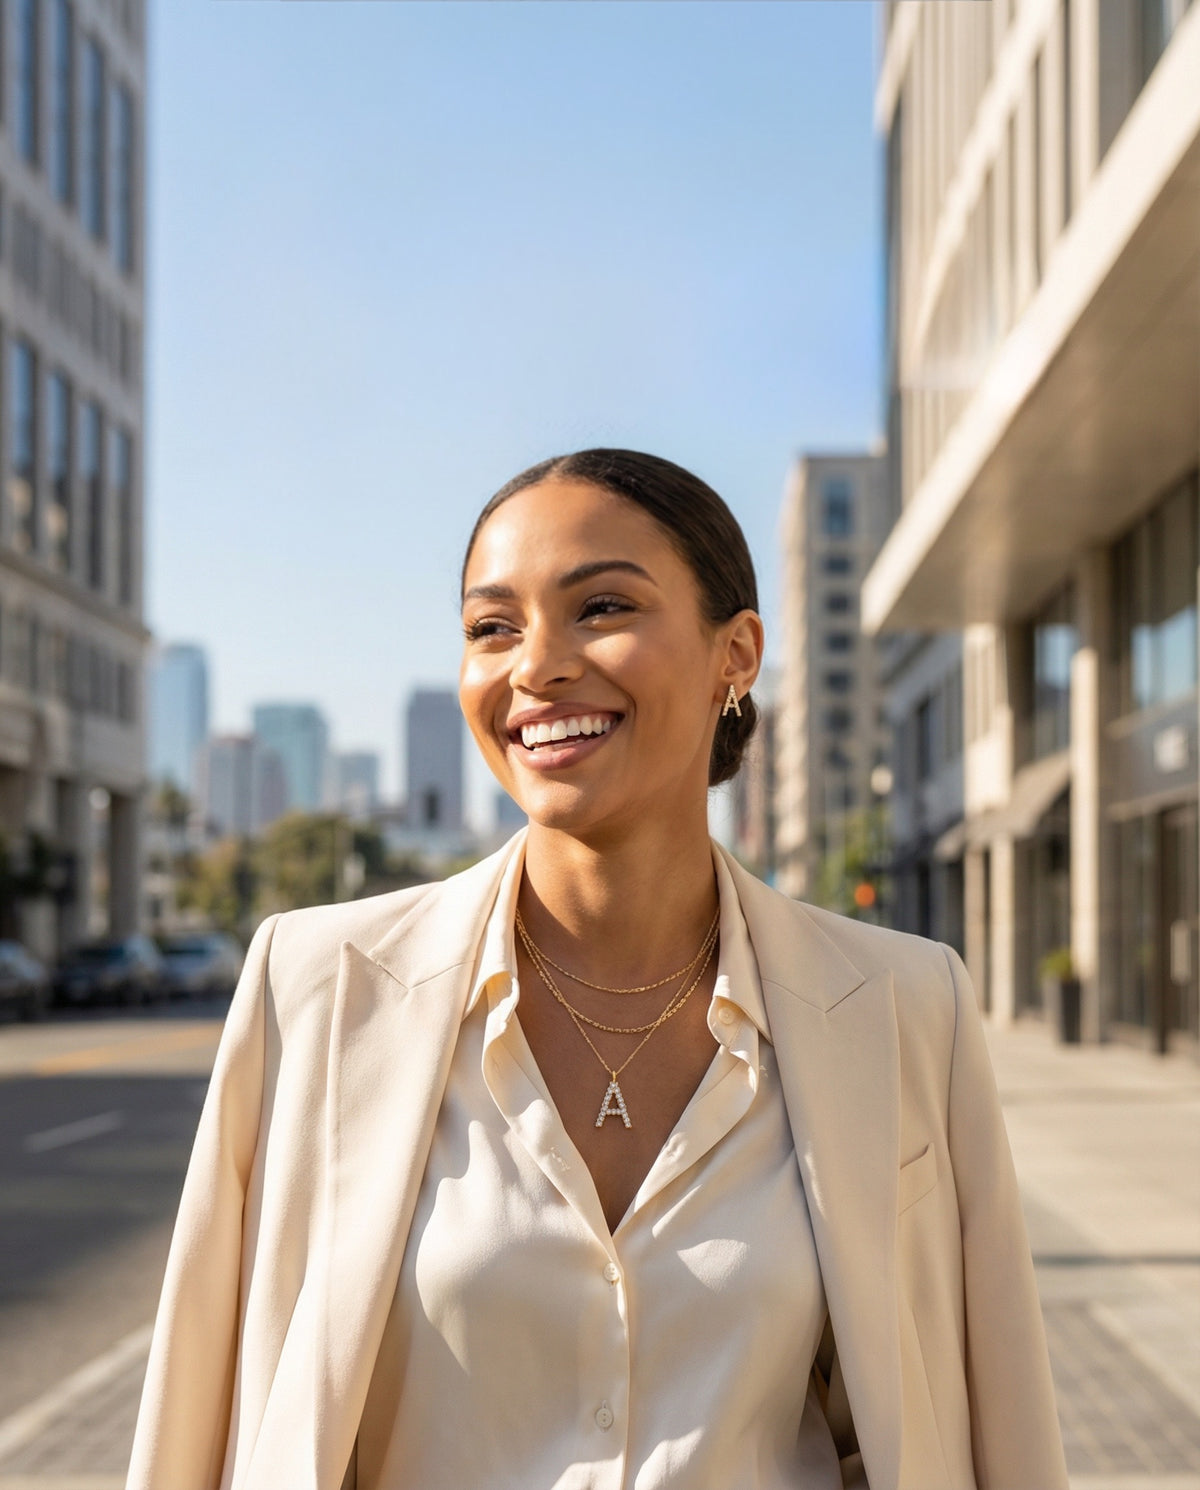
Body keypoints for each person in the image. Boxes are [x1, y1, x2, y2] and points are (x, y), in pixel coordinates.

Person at [128, 449, 1069, 1490]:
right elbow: (199, 1420)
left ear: (736, 655)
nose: (536, 665)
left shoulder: (907, 1005)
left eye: (601, 606)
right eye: (494, 626)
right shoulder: (313, 985)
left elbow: (985, 1422)